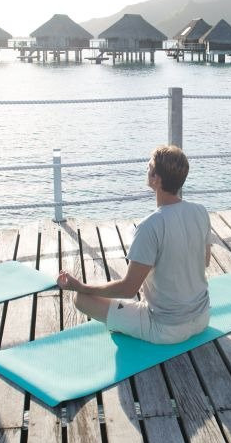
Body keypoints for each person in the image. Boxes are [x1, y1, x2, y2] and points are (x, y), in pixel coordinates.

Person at [57, 145, 212, 344]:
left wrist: (81, 286)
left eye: (149, 167)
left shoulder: (149, 226)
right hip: (202, 318)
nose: (146, 170)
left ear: (156, 179)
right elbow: (205, 261)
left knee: (81, 298)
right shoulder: (200, 211)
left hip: (166, 329)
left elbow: (128, 289)